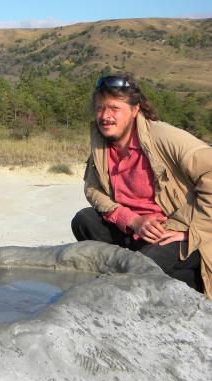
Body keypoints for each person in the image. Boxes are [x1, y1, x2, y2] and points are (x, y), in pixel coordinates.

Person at [71, 74, 212, 299]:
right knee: (84, 221)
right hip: (138, 231)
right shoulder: (101, 142)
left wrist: (188, 228)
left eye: (114, 108)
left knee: (135, 270)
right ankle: (158, 269)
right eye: (99, 108)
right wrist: (132, 220)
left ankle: (193, 280)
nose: (105, 116)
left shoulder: (163, 137)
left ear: (135, 109)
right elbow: (92, 189)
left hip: (176, 232)